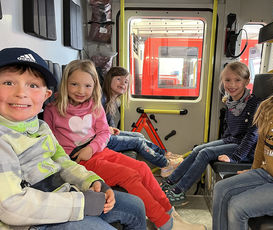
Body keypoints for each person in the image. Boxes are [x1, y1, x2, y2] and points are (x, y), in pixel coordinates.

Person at [43, 59, 206, 230]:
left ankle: (167, 210)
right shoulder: (53, 110)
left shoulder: (94, 105)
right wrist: (75, 155)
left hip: (98, 150)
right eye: (74, 84)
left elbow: (104, 132)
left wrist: (92, 148)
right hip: (78, 160)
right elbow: (50, 142)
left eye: (87, 86)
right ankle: (164, 222)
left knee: (142, 168)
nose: (81, 91)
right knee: (129, 175)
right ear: (65, 84)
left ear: (94, 86)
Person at [0, 47, 146, 230]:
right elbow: (11, 206)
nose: (21, 93)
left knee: (135, 206)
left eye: (33, 85)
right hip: (33, 222)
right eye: (8, 83)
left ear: (45, 95)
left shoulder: (41, 128)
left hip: (64, 194)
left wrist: (92, 181)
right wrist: (80, 204)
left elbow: (65, 163)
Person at [212, 39, 273, 230]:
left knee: (238, 206)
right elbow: (262, 145)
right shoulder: (270, 106)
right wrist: (255, 169)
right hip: (269, 175)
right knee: (221, 188)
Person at [160, 61, 259, 206]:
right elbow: (229, 129)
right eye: (227, 80)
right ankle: (170, 181)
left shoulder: (254, 103)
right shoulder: (230, 101)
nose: (232, 85)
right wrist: (222, 143)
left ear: (247, 81)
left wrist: (235, 158)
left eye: (237, 80)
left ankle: (179, 191)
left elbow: (252, 135)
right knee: (198, 149)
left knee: (205, 153)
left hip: (246, 149)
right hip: (232, 140)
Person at [101, 66, 183, 177]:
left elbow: (109, 121)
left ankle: (164, 154)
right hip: (102, 139)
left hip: (106, 134)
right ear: (109, 79)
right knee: (138, 142)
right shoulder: (101, 98)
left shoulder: (112, 100)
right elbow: (96, 124)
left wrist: (113, 129)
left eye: (126, 82)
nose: (122, 83)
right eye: (119, 79)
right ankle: (165, 164)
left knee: (138, 135)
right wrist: (108, 130)